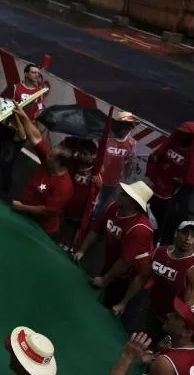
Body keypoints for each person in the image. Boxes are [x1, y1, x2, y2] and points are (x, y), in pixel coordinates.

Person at [75, 181, 155, 318]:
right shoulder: (113, 207)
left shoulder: (140, 228)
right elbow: (96, 229)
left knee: (110, 312)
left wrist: (105, 280)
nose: (120, 194)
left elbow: (125, 261)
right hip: (113, 264)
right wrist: (82, 250)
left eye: (125, 194)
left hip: (129, 279)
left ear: (134, 202)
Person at [112, 221, 194, 339]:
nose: (188, 239)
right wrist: (123, 303)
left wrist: (171, 337)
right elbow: (141, 278)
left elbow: (187, 308)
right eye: (185, 233)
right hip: (155, 309)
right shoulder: (160, 252)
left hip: (176, 323)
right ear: (176, 233)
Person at [10, 107, 74, 240]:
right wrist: (24, 117)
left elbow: (47, 211)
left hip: (40, 230)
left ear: (59, 164)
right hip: (23, 215)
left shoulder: (64, 187)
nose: (47, 156)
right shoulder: (49, 159)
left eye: (51, 157)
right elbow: (36, 137)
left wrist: (22, 208)